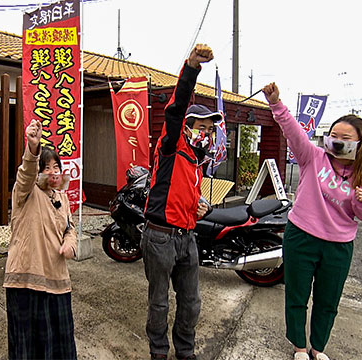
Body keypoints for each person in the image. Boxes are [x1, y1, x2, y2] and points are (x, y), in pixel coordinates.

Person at [262, 83, 362, 360]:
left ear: (360, 143)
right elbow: (293, 132)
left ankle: (319, 348)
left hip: (339, 246)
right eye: (333, 135)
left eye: (345, 137)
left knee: (328, 302)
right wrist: (276, 104)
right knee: (297, 295)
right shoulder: (313, 157)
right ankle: (299, 347)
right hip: (301, 236)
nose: (336, 141)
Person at [141, 43, 219, 360]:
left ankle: (185, 352)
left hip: (187, 238)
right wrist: (192, 67)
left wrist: (202, 205)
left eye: (211, 130)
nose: (207, 134)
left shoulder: (197, 161)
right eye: (202, 128)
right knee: (159, 301)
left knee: (191, 301)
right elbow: (175, 107)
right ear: (187, 128)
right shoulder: (171, 145)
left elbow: (187, 195)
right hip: (159, 237)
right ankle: (158, 352)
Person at [4, 119, 78, 359]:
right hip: (26, 280)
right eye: (46, 167)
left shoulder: (62, 197)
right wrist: (32, 147)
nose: (53, 172)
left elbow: (70, 227)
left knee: (59, 344)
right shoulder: (25, 192)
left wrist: (70, 243)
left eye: (56, 167)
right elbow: (26, 173)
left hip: (57, 279)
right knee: (30, 346)